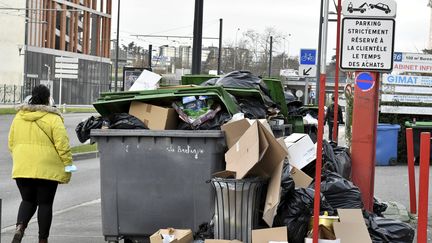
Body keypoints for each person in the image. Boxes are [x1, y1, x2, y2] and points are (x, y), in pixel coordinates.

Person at [8, 85, 73, 243]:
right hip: (47, 170)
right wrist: (68, 166)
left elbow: (11, 143)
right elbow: (62, 145)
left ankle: (19, 228)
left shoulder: (19, 117)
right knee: (45, 204)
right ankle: (42, 240)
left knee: (27, 200)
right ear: (48, 99)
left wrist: (22, 159)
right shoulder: (53, 118)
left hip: (22, 168)